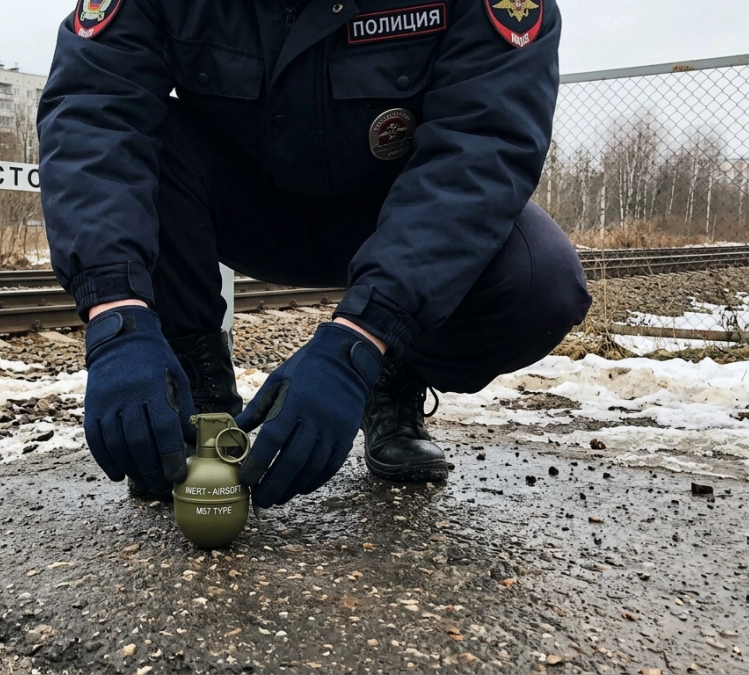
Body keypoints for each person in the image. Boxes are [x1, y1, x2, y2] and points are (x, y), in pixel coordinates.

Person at [37, 0, 592, 509]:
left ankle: (391, 377)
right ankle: (194, 397)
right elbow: (96, 110)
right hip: (240, 209)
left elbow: (482, 149)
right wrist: (115, 316)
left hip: (400, 217)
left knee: (540, 283)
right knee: (146, 142)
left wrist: (363, 339)